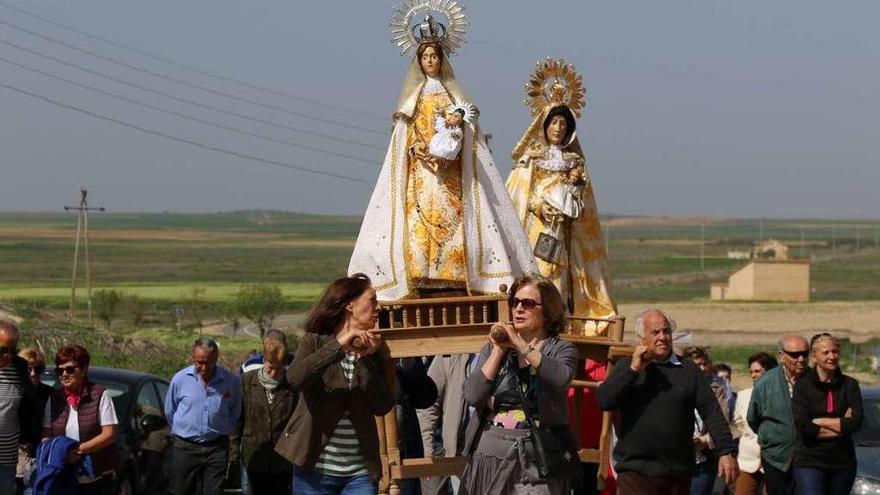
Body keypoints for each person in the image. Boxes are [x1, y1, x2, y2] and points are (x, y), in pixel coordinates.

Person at [349, 11, 536, 300]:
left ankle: (453, 273)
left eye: (434, 56)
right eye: (425, 57)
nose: (431, 61)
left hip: (450, 170)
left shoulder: (453, 96)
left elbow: (469, 126)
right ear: (419, 61)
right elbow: (404, 134)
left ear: (441, 59)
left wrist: (458, 126)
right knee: (419, 221)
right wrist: (419, 149)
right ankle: (421, 273)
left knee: (453, 218)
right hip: (423, 171)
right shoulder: (414, 97)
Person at [506, 58, 617, 336]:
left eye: (563, 123)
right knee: (535, 278)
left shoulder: (574, 163)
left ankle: (555, 327)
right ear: (544, 124)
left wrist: (571, 202)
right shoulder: (531, 160)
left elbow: (584, 206)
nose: (558, 128)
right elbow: (518, 196)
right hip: (536, 232)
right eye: (554, 122)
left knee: (559, 282)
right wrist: (541, 205)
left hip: (563, 236)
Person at [458, 275, 579, 495]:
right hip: (491, 457)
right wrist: (498, 350)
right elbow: (473, 395)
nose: (519, 308)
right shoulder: (495, 348)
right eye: (515, 302)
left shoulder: (562, 349)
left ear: (548, 313)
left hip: (537, 462)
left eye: (528, 303)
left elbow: (561, 378)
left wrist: (520, 344)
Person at [274, 274, 394, 494]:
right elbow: (295, 378)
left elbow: (383, 405)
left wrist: (370, 358)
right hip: (314, 470)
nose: (378, 308)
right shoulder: (316, 340)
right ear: (350, 304)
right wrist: (338, 347)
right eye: (372, 300)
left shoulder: (377, 349)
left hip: (360, 473)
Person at [596, 309, 737, 495]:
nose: (662, 337)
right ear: (641, 338)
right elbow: (604, 401)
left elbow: (711, 412)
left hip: (677, 474)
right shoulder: (627, 367)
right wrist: (633, 370)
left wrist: (725, 451)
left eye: (666, 331)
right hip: (636, 473)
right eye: (655, 333)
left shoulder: (689, 370)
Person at [165, 337, 242, 495]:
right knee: (180, 490)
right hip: (185, 447)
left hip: (216, 448)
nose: (204, 367)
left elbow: (234, 411)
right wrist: (183, 429)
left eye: (208, 362)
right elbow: (169, 410)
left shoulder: (230, 381)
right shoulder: (180, 379)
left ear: (216, 358)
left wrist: (223, 429)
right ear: (193, 358)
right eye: (199, 362)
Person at [791, 333, 863, 495]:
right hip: (810, 461)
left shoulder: (850, 385)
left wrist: (819, 421)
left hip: (842, 462)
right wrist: (841, 425)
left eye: (835, 351)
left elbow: (855, 423)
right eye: (826, 353)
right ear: (814, 357)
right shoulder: (803, 385)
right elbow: (804, 427)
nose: (832, 356)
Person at [41, 345, 119, 495]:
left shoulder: (99, 394)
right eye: (60, 370)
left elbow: (109, 434)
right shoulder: (54, 398)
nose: (64, 374)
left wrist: (78, 451)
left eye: (70, 369)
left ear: (83, 370)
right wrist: (60, 453)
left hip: (95, 476)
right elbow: (46, 434)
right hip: (62, 473)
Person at [229, 329, 296, 495]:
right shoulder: (246, 381)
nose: (274, 374)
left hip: (283, 459)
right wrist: (233, 454)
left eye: (279, 369)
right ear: (263, 360)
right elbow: (237, 420)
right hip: (254, 456)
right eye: (270, 368)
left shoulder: (293, 383)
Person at [746, 335, 809, 495]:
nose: (801, 359)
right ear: (782, 356)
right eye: (795, 355)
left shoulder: (815, 380)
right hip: (777, 458)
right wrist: (771, 438)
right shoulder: (765, 383)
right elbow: (753, 418)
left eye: (805, 354)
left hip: (810, 456)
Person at [416, 353, 478, 495]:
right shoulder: (451, 354)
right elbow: (427, 406)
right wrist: (426, 454)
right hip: (460, 453)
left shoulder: (505, 350)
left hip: (498, 450)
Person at [682, 347, 733, 495]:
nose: (703, 368)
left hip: (704, 457)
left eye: (705, 364)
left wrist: (704, 440)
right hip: (676, 458)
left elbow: (722, 422)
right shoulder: (675, 387)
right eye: (698, 364)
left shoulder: (717, 389)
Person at [0, 322, 40, 495]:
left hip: (7, 457)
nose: (8, 355)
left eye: (13, 350)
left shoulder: (19, 367)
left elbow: (30, 403)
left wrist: (29, 436)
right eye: (2, 350)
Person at [733, 352, 777, 495]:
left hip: (775, 462)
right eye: (751, 371)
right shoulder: (743, 395)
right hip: (748, 460)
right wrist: (749, 438)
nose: (753, 375)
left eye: (757, 371)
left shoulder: (782, 396)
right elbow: (739, 421)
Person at [15, 347, 52, 495]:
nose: (33, 373)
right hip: (9, 454)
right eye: (28, 369)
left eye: (38, 369)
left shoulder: (49, 394)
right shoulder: (10, 391)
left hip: (37, 456)